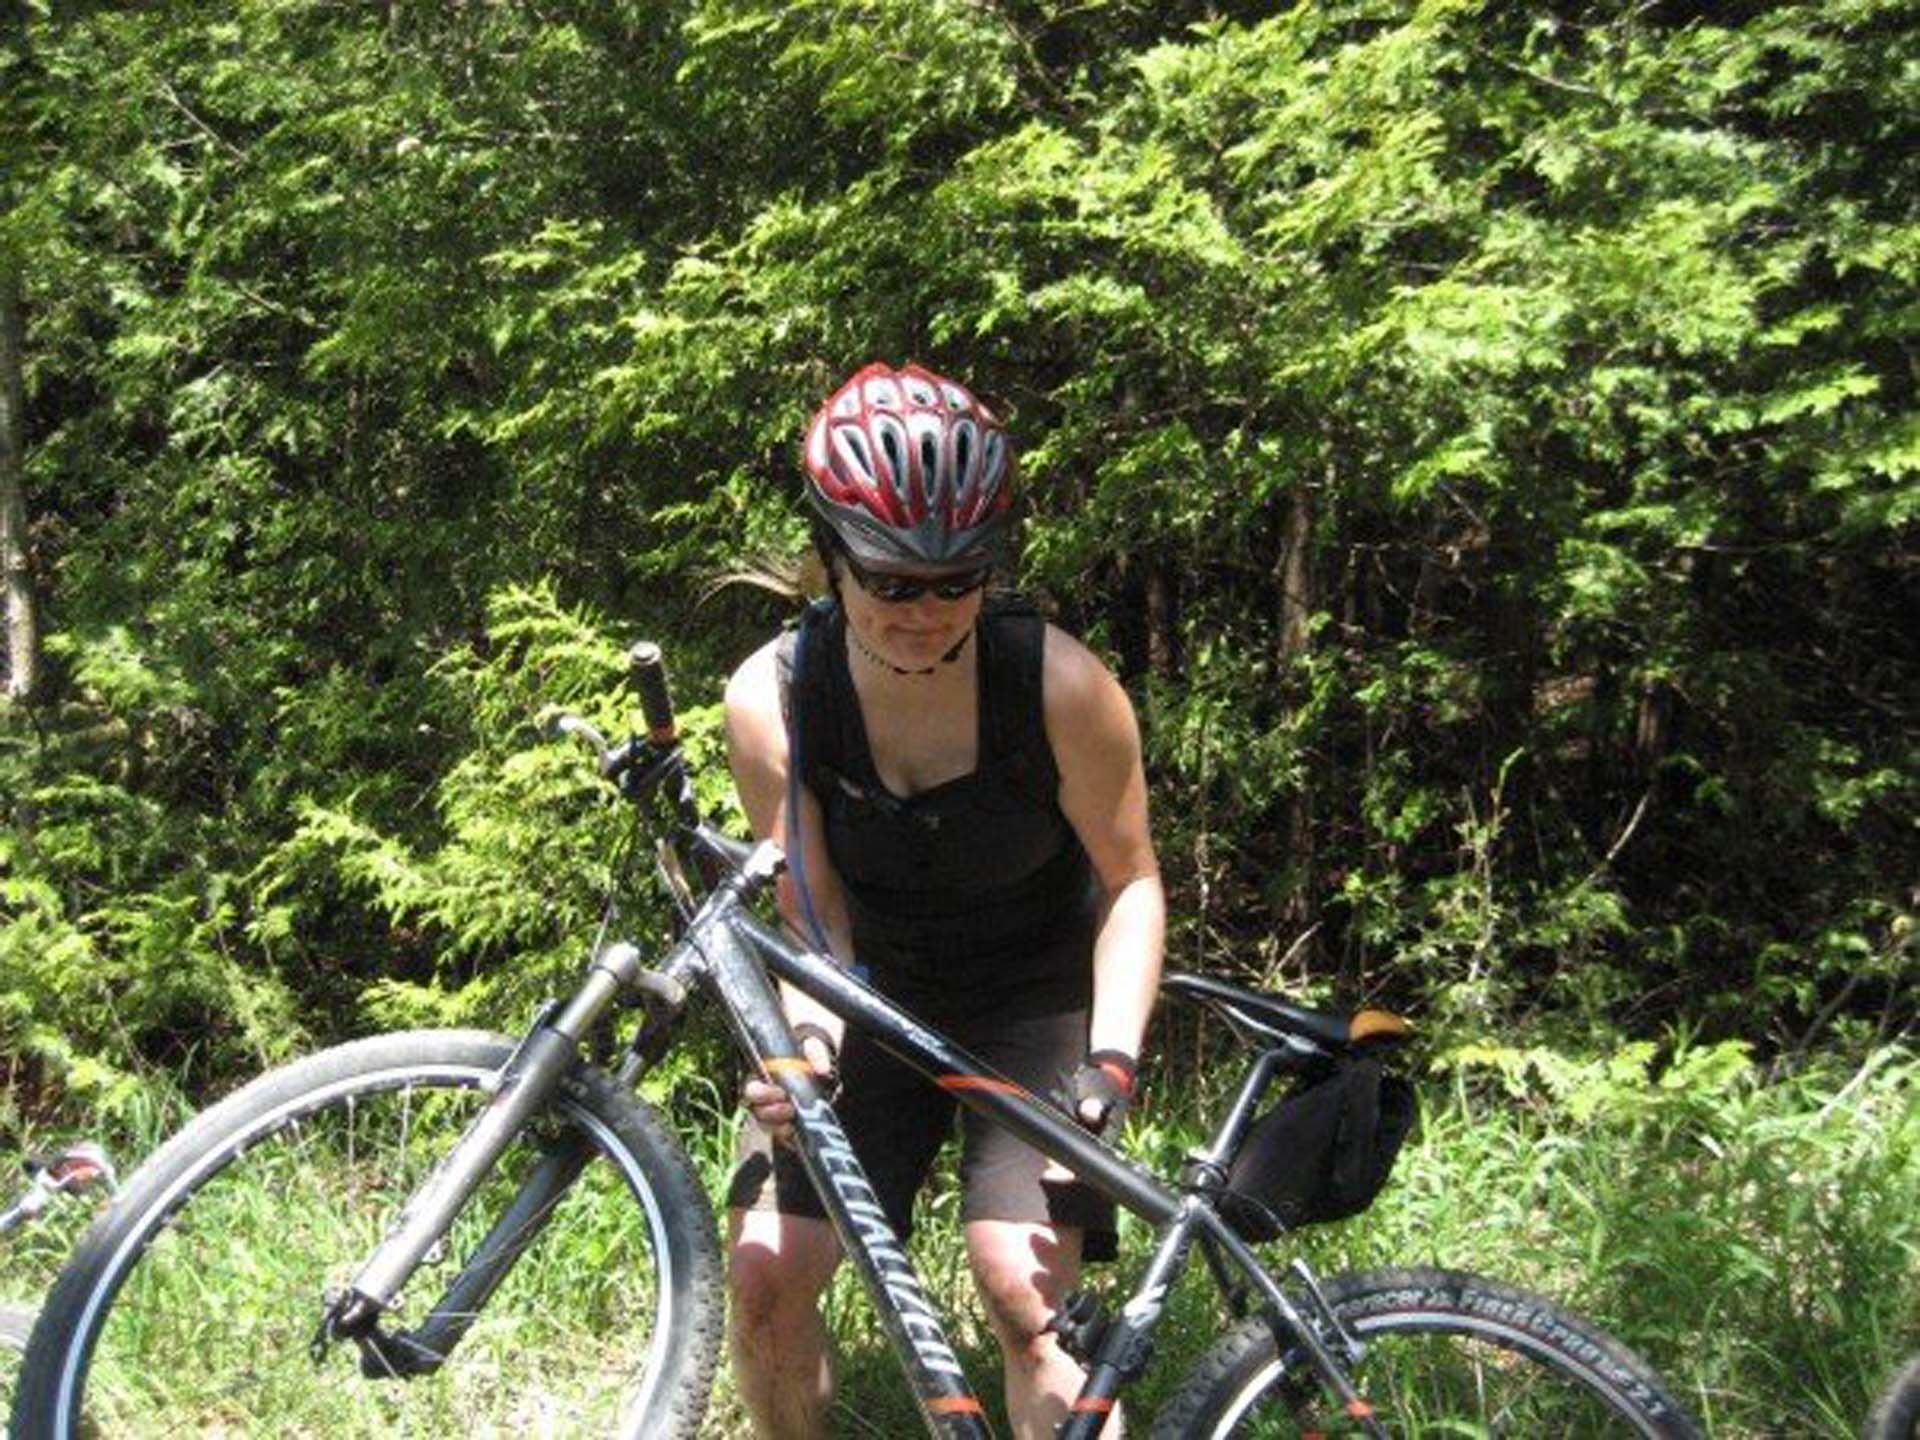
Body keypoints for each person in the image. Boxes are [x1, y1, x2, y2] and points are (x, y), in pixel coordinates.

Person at [723, 361, 1164, 1439]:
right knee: (765, 1276)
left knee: (1026, 1298)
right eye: (890, 582)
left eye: (956, 580)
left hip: (1033, 1000)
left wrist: (1109, 1067)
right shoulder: (774, 697)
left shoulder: (1060, 685)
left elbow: (1133, 883)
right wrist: (808, 1047)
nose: (924, 611)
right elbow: (812, 915)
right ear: (833, 558)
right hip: (868, 994)